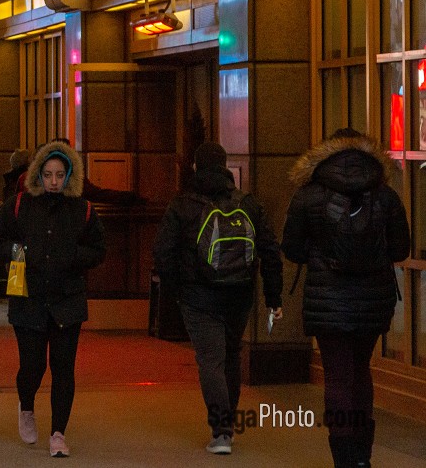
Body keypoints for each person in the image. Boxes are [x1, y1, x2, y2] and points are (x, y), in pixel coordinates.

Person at [282, 131, 410, 468]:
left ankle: (343, 457)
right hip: (373, 300)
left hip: (327, 301)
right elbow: (401, 249)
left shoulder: (307, 196)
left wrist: (319, 253)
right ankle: (362, 458)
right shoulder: (386, 196)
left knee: (338, 376)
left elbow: (292, 249)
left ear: (324, 157)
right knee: (360, 371)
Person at [153, 142, 283, 455]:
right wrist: (273, 296)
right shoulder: (248, 203)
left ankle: (221, 431)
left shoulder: (183, 205)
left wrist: (175, 292)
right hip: (239, 293)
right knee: (231, 356)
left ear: (195, 167)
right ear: (225, 166)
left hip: (198, 296)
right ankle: (227, 427)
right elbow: (270, 249)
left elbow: (162, 252)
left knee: (211, 360)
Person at [0, 140, 106, 458]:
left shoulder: (82, 209)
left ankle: (58, 433)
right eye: (48, 174)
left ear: (70, 176)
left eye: (60, 175)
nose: (54, 181)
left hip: (67, 298)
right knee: (32, 365)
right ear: (38, 174)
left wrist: (73, 256)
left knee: (63, 368)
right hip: (28, 295)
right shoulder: (19, 205)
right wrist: (17, 251)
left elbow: (98, 249)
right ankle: (26, 406)